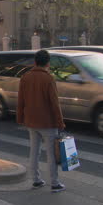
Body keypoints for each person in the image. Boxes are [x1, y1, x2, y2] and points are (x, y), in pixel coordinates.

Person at [17, 50, 66, 193]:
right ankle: (55, 183)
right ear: (48, 63)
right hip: (47, 123)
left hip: (31, 121)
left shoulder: (25, 77)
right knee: (51, 154)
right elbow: (54, 103)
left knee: (34, 151)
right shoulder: (49, 79)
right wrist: (60, 122)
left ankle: (36, 180)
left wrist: (20, 118)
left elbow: (21, 100)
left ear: (35, 62)